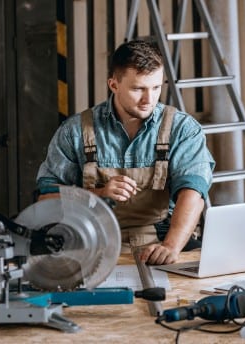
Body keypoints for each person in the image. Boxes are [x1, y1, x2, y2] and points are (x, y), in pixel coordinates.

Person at [35, 40, 215, 265]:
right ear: (114, 84)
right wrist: (99, 194)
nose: (149, 99)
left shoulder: (182, 129)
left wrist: (170, 246)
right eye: (138, 88)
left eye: (156, 87)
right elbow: (46, 199)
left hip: (160, 238)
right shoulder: (75, 131)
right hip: (93, 242)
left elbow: (193, 194)